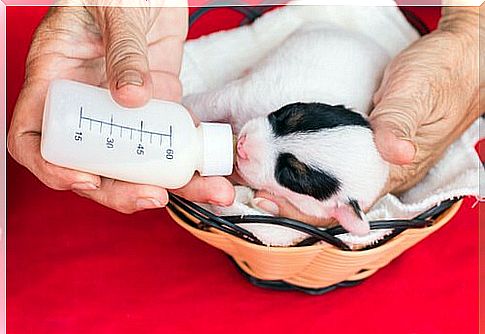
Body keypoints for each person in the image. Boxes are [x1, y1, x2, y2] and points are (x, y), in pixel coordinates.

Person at [7, 2, 483, 223]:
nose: (252, 141)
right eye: (283, 118)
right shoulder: (270, 101)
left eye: (286, 169)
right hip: (321, 47)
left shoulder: (345, 198)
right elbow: (219, 105)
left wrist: (473, 27)